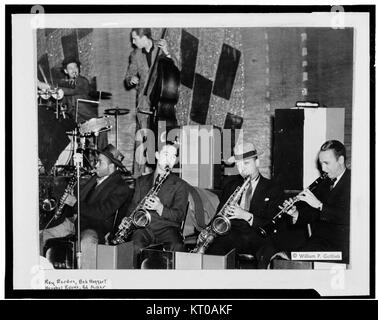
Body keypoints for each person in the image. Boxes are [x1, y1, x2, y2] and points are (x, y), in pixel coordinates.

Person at [257, 140, 351, 268]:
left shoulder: (354, 182)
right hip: (318, 243)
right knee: (277, 253)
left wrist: (319, 205)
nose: (323, 169)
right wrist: (295, 213)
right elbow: (313, 214)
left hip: (341, 248)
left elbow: (347, 216)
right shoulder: (324, 183)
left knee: (289, 260)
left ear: (340, 160)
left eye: (327, 163)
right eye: (321, 163)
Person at [204, 141, 284, 257]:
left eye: (246, 163)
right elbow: (219, 215)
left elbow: (272, 223)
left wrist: (245, 215)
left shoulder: (273, 188)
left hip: (258, 235)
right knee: (214, 249)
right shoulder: (230, 185)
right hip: (231, 234)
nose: (242, 169)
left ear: (257, 162)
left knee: (267, 249)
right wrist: (208, 231)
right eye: (239, 165)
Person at [60, 144, 133, 269]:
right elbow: (83, 201)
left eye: (100, 162)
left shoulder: (121, 187)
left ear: (111, 167)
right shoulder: (95, 179)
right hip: (76, 222)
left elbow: (102, 212)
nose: (96, 165)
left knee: (87, 243)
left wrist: (75, 203)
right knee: (44, 234)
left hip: (94, 228)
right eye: (96, 161)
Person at [117, 142, 189, 265]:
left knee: (177, 247)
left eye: (173, 157)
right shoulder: (141, 181)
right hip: (143, 229)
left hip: (167, 228)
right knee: (133, 247)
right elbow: (133, 206)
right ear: (156, 155)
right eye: (166, 154)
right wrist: (126, 219)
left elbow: (180, 215)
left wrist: (160, 208)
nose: (169, 160)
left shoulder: (181, 185)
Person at [124, 28, 178, 176]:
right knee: (142, 141)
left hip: (161, 102)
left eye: (135, 38)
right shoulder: (135, 55)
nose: (133, 42)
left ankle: (160, 175)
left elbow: (177, 67)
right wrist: (131, 79)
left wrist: (167, 52)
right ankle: (138, 178)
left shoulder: (161, 47)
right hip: (144, 104)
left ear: (144, 37)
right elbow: (129, 76)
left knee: (160, 141)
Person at [58, 56, 96, 123]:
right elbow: (62, 101)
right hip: (75, 121)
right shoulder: (67, 85)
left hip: (89, 120)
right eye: (70, 68)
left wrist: (51, 88)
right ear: (66, 71)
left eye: (75, 67)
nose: (74, 70)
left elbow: (72, 91)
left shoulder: (82, 81)